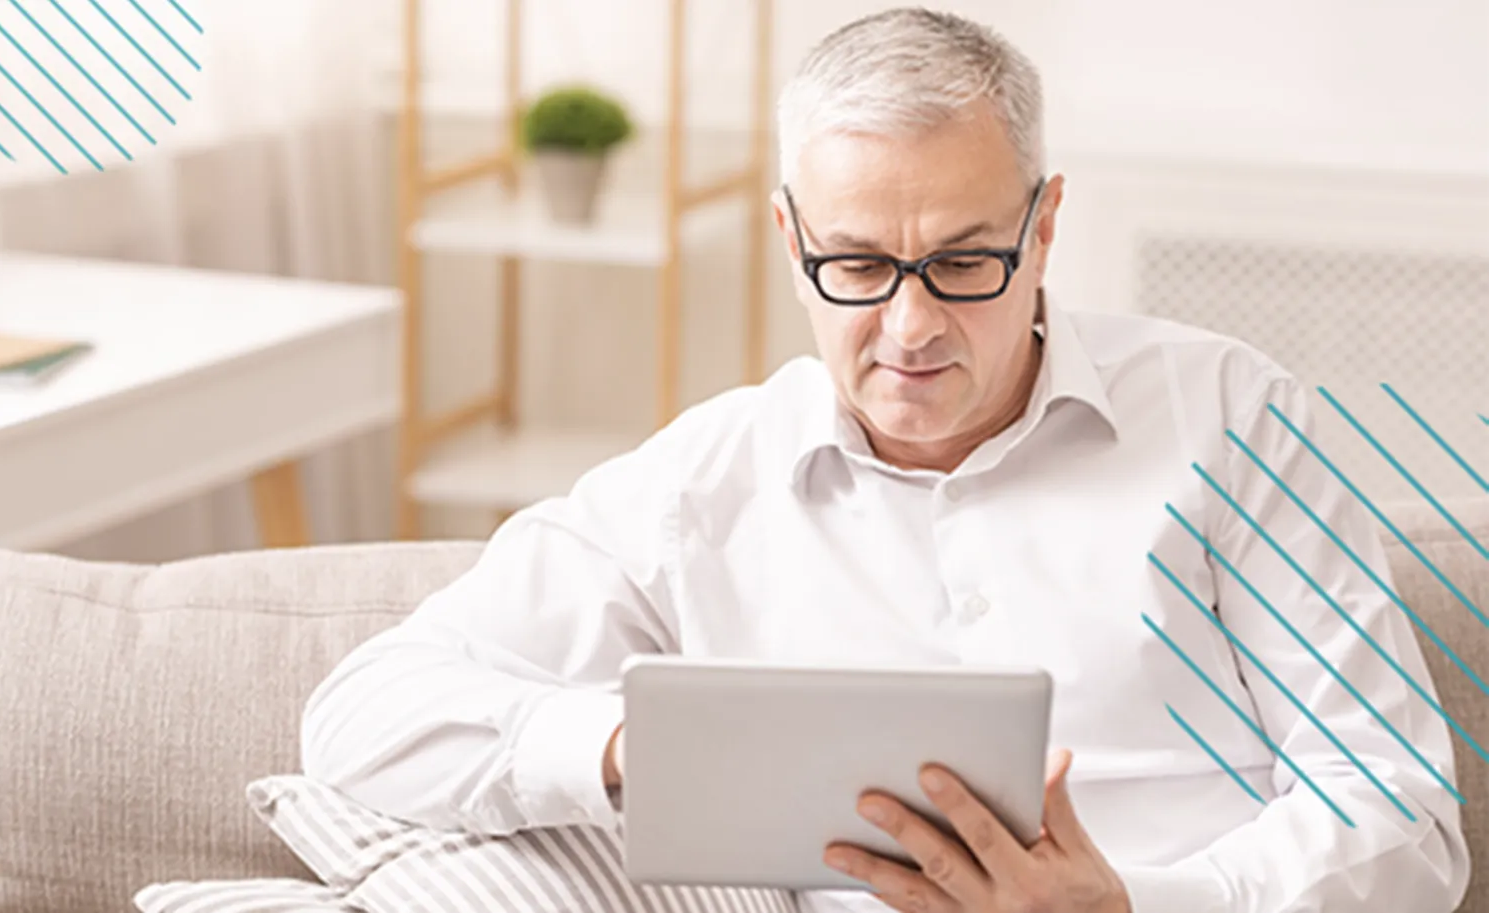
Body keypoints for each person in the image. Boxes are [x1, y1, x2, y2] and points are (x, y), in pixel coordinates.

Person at [302, 8, 1469, 912]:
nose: (909, 328)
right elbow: (363, 716)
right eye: (856, 267)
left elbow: (1407, 822)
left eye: (964, 262)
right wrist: (627, 747)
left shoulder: (1230, 416)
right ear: (788, 237)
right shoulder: (703, 482)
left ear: (1044, 224)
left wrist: (1133, 903)